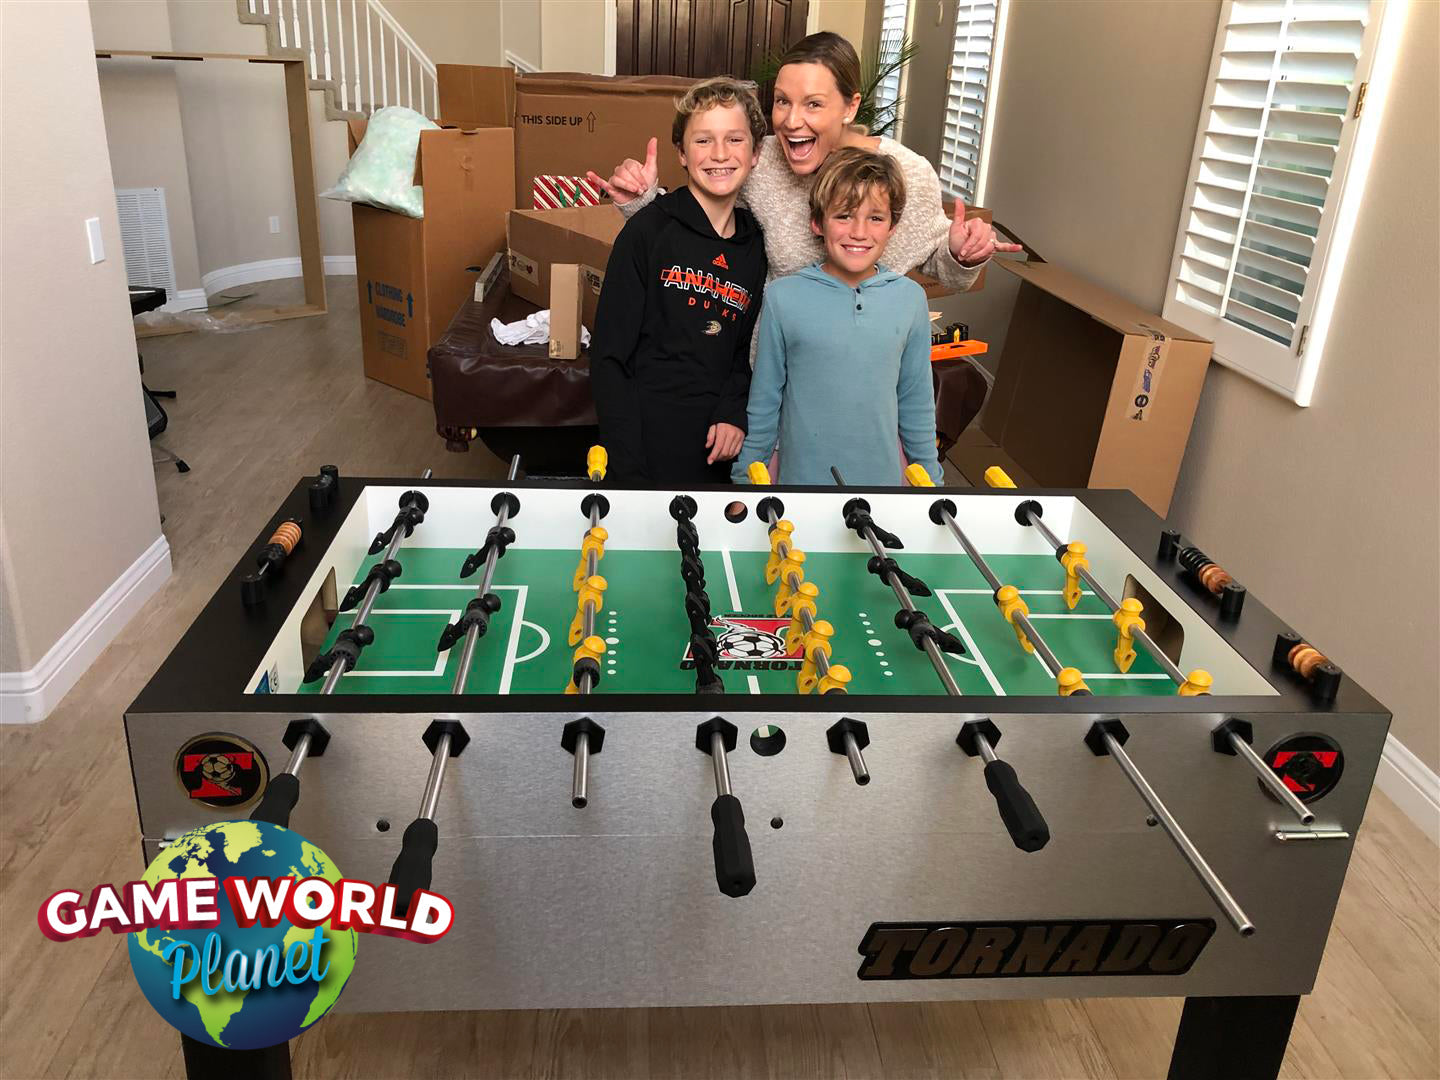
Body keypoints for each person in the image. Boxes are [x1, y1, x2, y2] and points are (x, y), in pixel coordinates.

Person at [589, 32, 1021, 316]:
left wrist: (962, 255)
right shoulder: (762, 161)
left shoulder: (907, 174)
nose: (792, 121)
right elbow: (698, 224)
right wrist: (643, 201)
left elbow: (943, 269)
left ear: (850, 107)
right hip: (771, 367)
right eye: (781, 101)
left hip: (861, 370)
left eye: (813, 104)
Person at [588, 77, 769, 485]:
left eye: (735, 140)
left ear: (756, 153)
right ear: (682, 154)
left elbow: (743, 350)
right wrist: (627, 463)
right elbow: (608, 358)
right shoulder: (648, 232)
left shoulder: (756, 246)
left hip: (716, 453)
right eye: (703, 141)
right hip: (642, 448)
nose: (719, 154)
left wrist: (732, 411)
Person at [731, 148, 939, 488]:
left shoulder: (910, 299)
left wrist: (933, 486)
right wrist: (746, 478)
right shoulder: (783, 297)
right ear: (817, 222)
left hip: (884, 486)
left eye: (875, 218)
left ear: (892, 227)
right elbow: (765, 400)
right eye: (844, 216)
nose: (859, 231)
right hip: (800, 485)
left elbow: (916, 403)